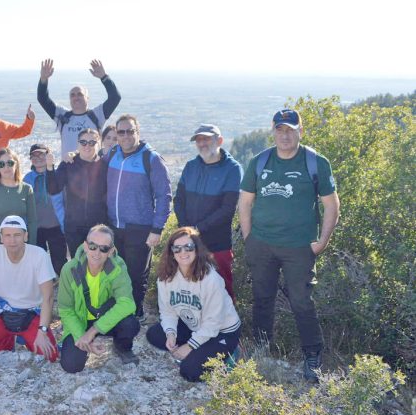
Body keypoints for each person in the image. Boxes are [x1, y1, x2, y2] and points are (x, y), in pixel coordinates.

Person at [239, 109, 340, 382]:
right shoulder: (260, 161)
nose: (285, 135)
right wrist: (249, 238)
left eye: (290, 130)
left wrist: (321, 242)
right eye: (280, 129)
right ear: (272, 131)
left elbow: (331, 205)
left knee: (301, 301)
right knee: (262, 298)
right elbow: (245, 201)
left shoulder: (315, 162)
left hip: (299, 247)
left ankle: (312, 356)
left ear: (300, 131)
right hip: (262, 244)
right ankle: (261, 347)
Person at [145, 227, 241, 382]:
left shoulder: (210, 279)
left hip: (222, 331)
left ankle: (230, 352)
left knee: (190, 371)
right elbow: (168, 311)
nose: (183, 252)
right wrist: (171, 334)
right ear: (171, 252)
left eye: (188, 247)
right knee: (155, 335)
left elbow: (213, 323)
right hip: (195, 325)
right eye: (177, 248)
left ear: (197, 249)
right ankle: (201, 349)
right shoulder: (166, 278)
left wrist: (189, 346)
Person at [106, 115, 172, 316]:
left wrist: (157, 229)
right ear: (116, 134)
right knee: (116, 273)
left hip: (140, 227)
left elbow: (164, 196)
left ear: (138, 132)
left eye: (130, 131)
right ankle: (120, 311)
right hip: (114, 226)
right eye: (121, 132)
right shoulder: (112, 154)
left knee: (136, 274)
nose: (126, 136)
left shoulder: (151, 159)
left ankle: (136, 314)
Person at [0, 216, 58, 361]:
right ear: (1, 238)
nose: (12, 240)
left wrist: (43, 331)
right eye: (7, 235)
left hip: (31, 313)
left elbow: (48, 297)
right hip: (3, 312)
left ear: (26, 236)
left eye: (17, 235)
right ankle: (8, 339)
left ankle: (23, 337)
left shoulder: (39, 255)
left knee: (50, 355)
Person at [173, 124, 243, 300]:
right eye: (198, 140)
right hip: (189, 242)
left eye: (206, 139)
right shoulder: (191, 166)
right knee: (191, 290)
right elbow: (179, 200)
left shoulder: (232, 169)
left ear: (219, 140)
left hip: (217, 243)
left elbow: (227, 210)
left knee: (223, 289)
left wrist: (196, 229)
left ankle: (229, 327)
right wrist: (186, 229)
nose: (202, 143)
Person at [58, 224, 140, 373]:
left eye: (103, 248)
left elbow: (127, 304)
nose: (97, 252)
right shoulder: (70, 269)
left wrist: (93, 331)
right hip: (80, 321)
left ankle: (122, 347)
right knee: (71, 365)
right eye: (92, 246)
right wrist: (82, 337)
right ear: (85, 246)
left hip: (105, 319)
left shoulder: (117, 267)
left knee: (130, 324)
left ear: (111, 251)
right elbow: (65, 309)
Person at [37, 59, 121, 155]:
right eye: (72, 95)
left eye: (80, 94)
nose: (76, 97)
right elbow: (42, 98)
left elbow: (115, 97)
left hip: (92, 168)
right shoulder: (62, 115)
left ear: (87, 98)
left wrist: (104, 77)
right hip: (68, 168)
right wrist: (43, 79)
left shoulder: (97, 114)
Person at [47, 128, 109, 255]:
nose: (87, 146)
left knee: (98, 264)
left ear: (99, 144)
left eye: (92, 142)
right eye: (83, 142)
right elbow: (53, 189)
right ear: (78, 144)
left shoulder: (105, 166)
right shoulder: (68, 164)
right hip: (74, 227)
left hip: (98, 227)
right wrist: (49, 168)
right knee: (78, 265)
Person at [0, 148, 37, 251]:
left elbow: (32, 221)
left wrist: (32, 247)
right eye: (1, 164)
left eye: (10, 163)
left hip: (21, 246)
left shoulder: (27, 189)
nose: (6, 167)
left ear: (16, 164)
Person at [23, 143, 67, 275]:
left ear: (48, 156)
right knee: (38, 262)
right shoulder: (27, 179)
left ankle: (62, 288)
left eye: (41, 154)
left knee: (59, 261)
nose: (37, 158)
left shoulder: (58, 175)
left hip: (56, 226)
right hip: (37, 227)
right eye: (33, 155)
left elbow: (65, 198)